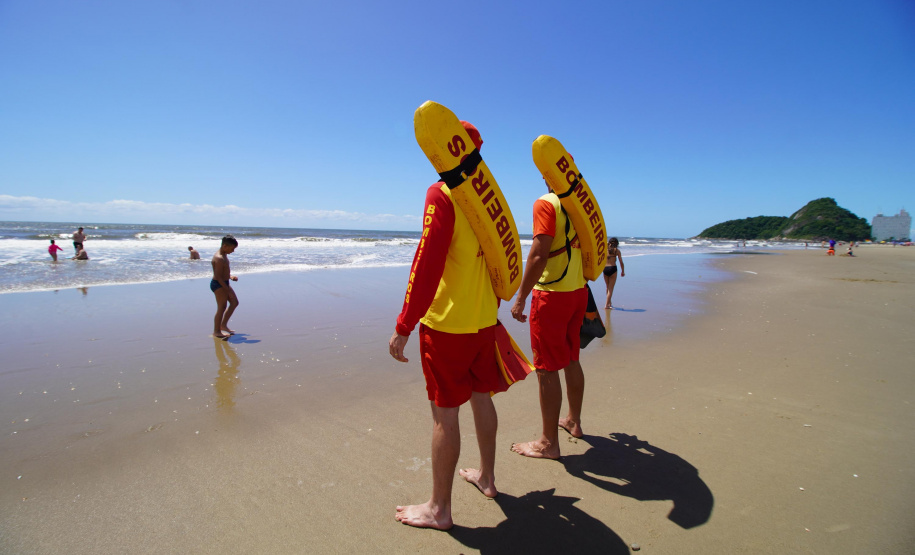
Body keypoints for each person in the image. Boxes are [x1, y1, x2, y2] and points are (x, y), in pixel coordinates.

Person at [389, 121, 501, 530]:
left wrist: (404, 324)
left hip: (448, 325)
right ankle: (487, 478)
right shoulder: (489, 202)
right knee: (482, 398)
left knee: (444, 416)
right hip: (484, 321)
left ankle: (440, 509)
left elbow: (427, 261)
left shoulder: (443, 193)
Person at [510, 178, 588, 460]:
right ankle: (573, 421)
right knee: (571, 359)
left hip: (552, 296)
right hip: (578, 291)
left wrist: (520, 297)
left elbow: (538, 254)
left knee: (546, 369)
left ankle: (548, 444)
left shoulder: (547, 203)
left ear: (547, 173)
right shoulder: (579, 204)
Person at [211, 235, 239, 339]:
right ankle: (216, 331)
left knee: (234, 302)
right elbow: (218, 276)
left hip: (225, 283)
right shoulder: (218, 258)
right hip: (219, 284)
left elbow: (223, 272)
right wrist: (226, 289)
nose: (233, 251)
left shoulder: (224, 255)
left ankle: (223, 325)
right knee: (221, 308)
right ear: (225, 246)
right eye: (232, 249)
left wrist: (231, 277)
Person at [603, 237, 625, 309]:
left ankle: (609, 303)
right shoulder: (617, 251)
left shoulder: (605, 250)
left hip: (605, 269)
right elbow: (621, 262)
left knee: (607, 287)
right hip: (613, 269)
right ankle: (606, 305)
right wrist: (623, 271)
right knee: (611, 288)